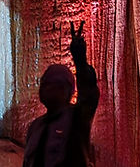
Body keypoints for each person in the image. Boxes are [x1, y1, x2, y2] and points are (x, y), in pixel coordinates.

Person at [23, 22, 99, 167]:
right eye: (46, 83)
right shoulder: (35, 127)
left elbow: (89, 96)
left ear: (69, 91)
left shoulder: (76, 118)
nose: (50, 88)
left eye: (57, 85)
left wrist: (80, 63)